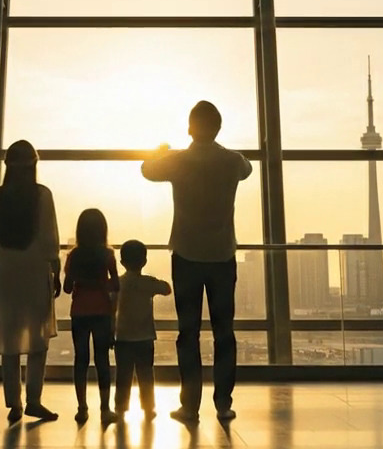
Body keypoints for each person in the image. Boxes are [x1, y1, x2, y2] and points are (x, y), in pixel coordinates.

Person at [141, 101, 252, 423]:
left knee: (187, 333)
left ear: (189, 128)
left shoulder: (178, 161)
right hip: (222, 255)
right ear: (218, 128)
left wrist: (160, 150)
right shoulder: (231, 161)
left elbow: (147, 171)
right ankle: (223, 403)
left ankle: (190, 406)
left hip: (187, 255)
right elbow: (247, 168)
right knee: (224, 332)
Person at [0, 140, 61, 423]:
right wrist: (54, 267)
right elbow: (48, 236)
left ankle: (14, 403)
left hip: (5, 268)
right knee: (38, 338)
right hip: (33, 266)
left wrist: (0, 265)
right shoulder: (42, 195)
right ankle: (34, 400)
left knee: (10, 340)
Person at [63, 208, 120, 425]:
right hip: (102, 311)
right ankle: (105, 409)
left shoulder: (74, 256)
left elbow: (68, 288)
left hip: (79, 312)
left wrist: (80, 281)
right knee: (102, 360)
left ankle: (82, 408)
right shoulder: (107, 255)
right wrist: (100, 284)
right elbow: (116, 285)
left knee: (81, 360)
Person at [113, 239, 172, 419]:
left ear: (122, 262)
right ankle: (148, 407)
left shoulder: (118, 284)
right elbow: (167, 289)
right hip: (145, 337)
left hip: (122, 337)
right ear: (144, 261)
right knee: (146, 374)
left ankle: (121, 407)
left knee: (123, 374)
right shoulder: (148, 283)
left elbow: (110, 306)